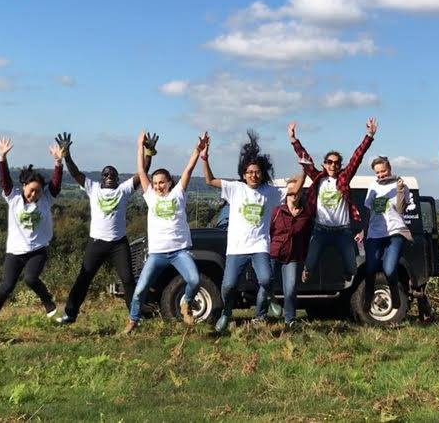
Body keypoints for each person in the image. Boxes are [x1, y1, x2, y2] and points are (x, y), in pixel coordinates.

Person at [202, 130, 298, 333]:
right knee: (228, 286)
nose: (253, 175)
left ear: (262, 172)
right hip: (236, 248)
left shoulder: (269, 192)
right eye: (249, 172)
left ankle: (271, 298)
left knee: (266, 279)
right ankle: (227, 313)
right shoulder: (235, 188)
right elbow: (210, 180)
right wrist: (204, 156)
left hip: (259, 245)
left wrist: (304, 168)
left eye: (257, 172)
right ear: (243, 175)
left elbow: (295, 189)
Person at [56, 132, 157, 324]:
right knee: (83, 278)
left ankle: (135, 316)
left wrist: (149, 152)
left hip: (119, 244)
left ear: (118, 178)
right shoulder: (93, 188)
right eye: (106, 174)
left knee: (128, 280)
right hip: (97, 243)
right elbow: (76, 173)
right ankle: (70, 313)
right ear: (101, 178)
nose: (109, 176)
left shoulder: (123, 190)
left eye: (113, 174)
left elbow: (142, 172)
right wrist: (67, 155)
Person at [124, 131, 205, 333]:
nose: (159, 186)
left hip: (179, 252)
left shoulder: (178, 194)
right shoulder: (151, 196)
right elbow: (141, 171)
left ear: (169, 182)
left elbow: (188, 169)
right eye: (156, 182)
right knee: (140, 289)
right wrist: (140, 146)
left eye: (163, 182)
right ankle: (133, 320)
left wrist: (198, 150)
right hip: (157, 254)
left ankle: (186, 303)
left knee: (194, 280)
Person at [0, 137, 64, 323]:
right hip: (15, 252)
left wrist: (58, 163)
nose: (34, 194)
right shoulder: (14, 197)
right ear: (24, 186)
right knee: (7, 286)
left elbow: (56, 185)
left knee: (30, 278)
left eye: (38, 191)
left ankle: (49, 305)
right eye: (31, 190)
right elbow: (5, 181)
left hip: (37, 250)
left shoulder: (45, 199)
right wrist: (2, 158)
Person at [289, 119, 377, 283]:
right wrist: (294, 140)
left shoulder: (344, 178)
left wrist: (369, 135)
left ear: (339, 165)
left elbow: (357, 157)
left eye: (336, 163)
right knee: (311, 260)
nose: (333, 165)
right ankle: (307, 270)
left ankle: (346, 273)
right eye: (329, 162)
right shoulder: (317, 178)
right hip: (321, 230)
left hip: (342, 231)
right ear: (324, 164)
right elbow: (305, 158)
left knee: (352, 268)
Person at [258, 171, 314, 328]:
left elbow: (307, 238)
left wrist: (305, 261)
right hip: (273, 254)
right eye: (290, 191)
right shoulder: (276, 211)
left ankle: (290, 320)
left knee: (290, 290)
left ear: (301, 193)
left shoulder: (306, 215)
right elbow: (265, 232)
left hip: (293, 257)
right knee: (265, 288)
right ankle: (260, 316)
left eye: (297, 191)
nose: (293, 194)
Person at [362, 157, 415, 314]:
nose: (381, 175)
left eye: (383, 171)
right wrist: (363, 230)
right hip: (375, 233)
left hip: (394, 232)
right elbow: (369, 210)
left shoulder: (401, 185)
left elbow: (400, 209)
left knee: (389, 269)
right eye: (377, 173)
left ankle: (395, 292)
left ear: (389, 168)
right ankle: (368, 296)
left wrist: (399, 190)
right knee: (370, 268)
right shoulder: (373, 186)